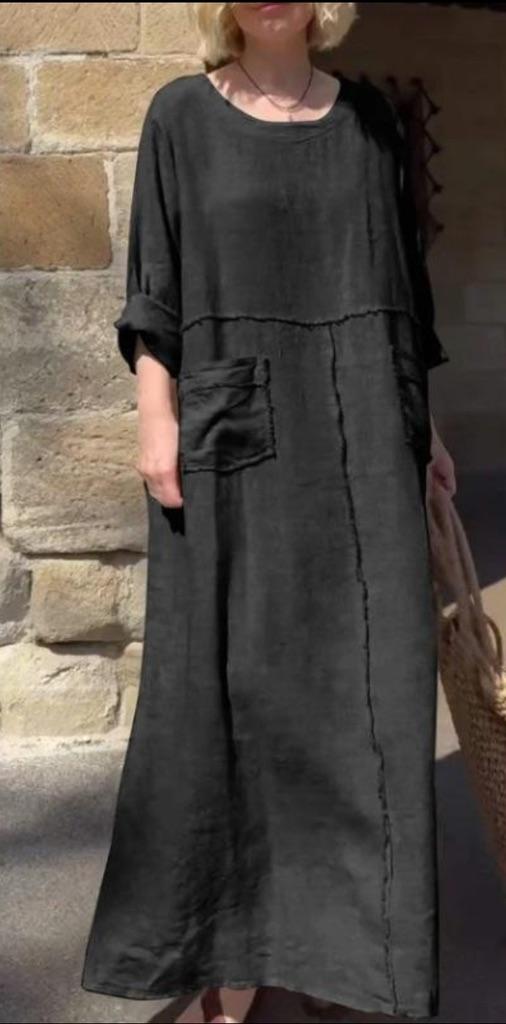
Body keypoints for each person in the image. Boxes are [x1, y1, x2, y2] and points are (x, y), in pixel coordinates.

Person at [80, 4, 456, 1022]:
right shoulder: (180, 117)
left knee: (367, 699)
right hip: (230, 441)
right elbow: (153, 288)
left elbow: (402, 292)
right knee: (226, 693)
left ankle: (352, 957)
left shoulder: (370, 121)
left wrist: (427, 432)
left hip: (366, 438)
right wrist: (154, 417)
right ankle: (228, 957)